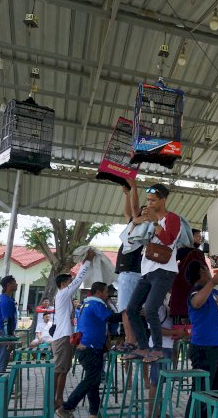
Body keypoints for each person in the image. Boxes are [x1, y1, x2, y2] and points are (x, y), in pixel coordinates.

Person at [126, 183, 181, 363]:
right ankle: (143, 347)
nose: (148, 203)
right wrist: (139, 221)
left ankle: (157, 349)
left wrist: (155, 222)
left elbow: (168, 240)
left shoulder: (172, 218)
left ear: (162, 200)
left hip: (164, 270)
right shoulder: (147, 216)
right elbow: (133, 236)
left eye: (152, 200)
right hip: (147, 271)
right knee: (131, 309)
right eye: (147, 200)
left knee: (150, 308)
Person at [56, 282, 123, 418]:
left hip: (87, 347)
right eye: (105, 292)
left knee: (94, 380)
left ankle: (94, 412)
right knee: (91, 379)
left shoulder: (86, 304)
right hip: (91, 349)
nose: (107, 295)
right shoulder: (96, 304)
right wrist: (129, 312)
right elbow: (111, 318)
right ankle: (66, 407)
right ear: (98, 293)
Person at [184, 261, 218, 418]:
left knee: (213, 392)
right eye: (207, 269)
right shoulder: (196, 292)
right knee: (201, 392)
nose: (210, 272)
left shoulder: (215, 293)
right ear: (202, 271)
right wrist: (212, 282)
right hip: (203, 348)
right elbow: (196, 303)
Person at [52, 251, 93, 410]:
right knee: (62, 371)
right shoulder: (63, 294)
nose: (71, 284)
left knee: (59, 370)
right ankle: (58, 401)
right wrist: (87, 262)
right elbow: (78, 281)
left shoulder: (62, 296)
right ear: (63, 283)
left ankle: (55, 398)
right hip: (63, 337)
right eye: (69, 281)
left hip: (62, 336)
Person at [115, 178, 143, 353]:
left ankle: (130, 340)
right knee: (129, 308)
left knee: (126, 308)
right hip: (131, 272)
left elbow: (133, 209)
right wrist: (127, 195)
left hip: (130, 272)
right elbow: (128, 213)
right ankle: (132, 339)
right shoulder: (133, 227)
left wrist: (134, 187)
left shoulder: (141, 226)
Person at [146, 293, 185, 417]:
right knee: (156, 382)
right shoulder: (158, 308)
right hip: (160, 347)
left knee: (160, 382)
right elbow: (155, 329)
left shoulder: (164, 308)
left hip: (166, 347)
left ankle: (157, 413)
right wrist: (175, 332)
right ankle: (152, 413)